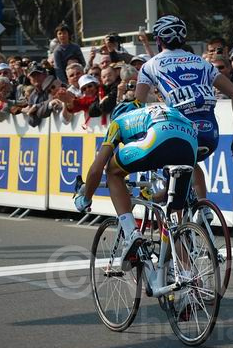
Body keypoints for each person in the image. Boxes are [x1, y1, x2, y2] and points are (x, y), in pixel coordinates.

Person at [135, 15, 233, 200]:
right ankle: (203, 209)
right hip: (210, 135)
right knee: (191, 163)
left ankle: (175, 219)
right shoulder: (203, 63)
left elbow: (137, 104)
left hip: (179, 133)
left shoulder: (150, 65)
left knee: (171, 168)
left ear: (158, 40)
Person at [74, 103, 199, 263]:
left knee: (112, 171)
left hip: (158, 136)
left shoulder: (118, 121)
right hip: (189, 143)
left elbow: (96, 169)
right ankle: (189, 278)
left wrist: (86, 197)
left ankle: (131, 232)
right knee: (174, 222)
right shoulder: (154, 110)